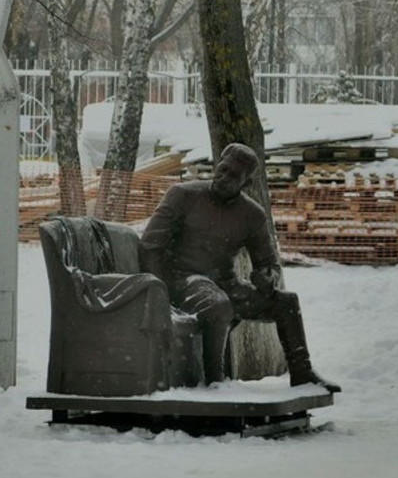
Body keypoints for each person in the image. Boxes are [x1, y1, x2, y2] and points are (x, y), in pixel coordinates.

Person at [138, 143, 340, 392]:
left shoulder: (252, 215)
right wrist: (159, 290)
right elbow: (150, 246)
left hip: (225, 284)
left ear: (246, 183)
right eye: (222, 170)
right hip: (181, 280)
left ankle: (302, 373)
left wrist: (268, 277)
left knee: (286, 303)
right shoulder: (182, 195)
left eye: (233, 176)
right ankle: (215, 382)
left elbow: (269, 263)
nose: (223, 178)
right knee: (217, 305)